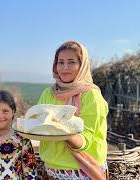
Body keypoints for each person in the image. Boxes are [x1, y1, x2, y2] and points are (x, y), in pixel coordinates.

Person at [38, 40, 108, 179]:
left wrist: (61, 130)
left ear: (82, 65)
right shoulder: (48, 93)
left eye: (71, 62)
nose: (65, 68)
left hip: (82, 171)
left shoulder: (91, 95)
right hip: (52, 170)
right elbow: (38, 125)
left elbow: (85, 139)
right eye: (60, 62)